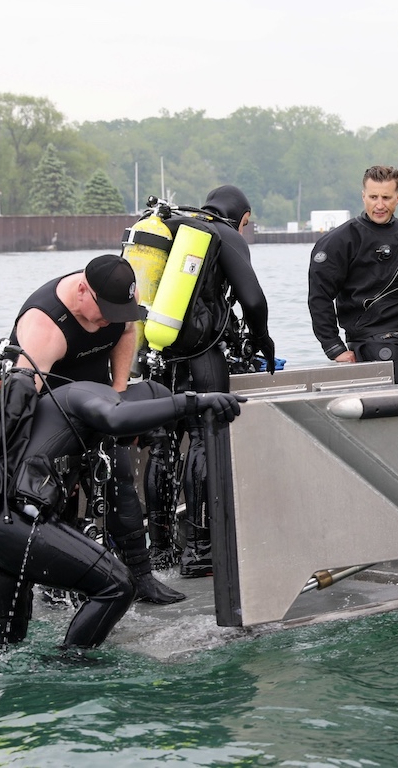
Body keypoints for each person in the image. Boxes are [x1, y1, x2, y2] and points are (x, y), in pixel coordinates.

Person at [0, 374, 244, 650]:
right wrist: (194, 401)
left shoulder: (76, 417)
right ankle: (71, 664)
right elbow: (116, 418)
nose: (138, 445)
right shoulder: (92, 394)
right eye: (146, 435)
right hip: (12, 524)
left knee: (1, 645)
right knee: (118, 586)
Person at [10, 254, 185, 605]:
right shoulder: (44, 326)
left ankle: (141, 577)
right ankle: (51, 583)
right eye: (104, 311)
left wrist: (117, 393)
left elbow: (128, 331)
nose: (109, 319)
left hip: (98, 400)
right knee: (55, 496)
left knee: (120, 480)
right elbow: (22, 404)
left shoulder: (120, 297)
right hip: (51, 412)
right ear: (81, 291)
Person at [151, 185, 276, 578]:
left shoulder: (168, 226)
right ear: (242, 216)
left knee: (160, 446)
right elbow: (252, 300)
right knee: (203, 441)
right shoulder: (225, 234)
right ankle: (200, 552)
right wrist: (262, 339)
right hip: (200, 354)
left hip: (156, 353)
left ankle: (159, 551)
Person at [308, 165, 398, 383]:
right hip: (373, 339)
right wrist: (334, 347)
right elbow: (320, 296)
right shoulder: (341, 240)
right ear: (363, 196)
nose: (379, 205)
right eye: (373, 197)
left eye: (386, 197)